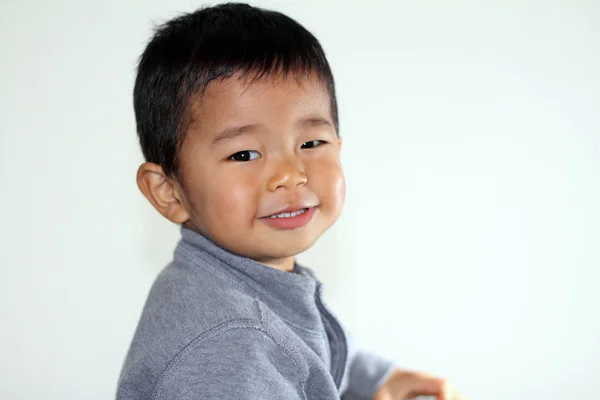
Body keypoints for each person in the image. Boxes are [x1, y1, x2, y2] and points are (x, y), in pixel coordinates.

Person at [117, 3, 466, 399]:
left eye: (311, 143)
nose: (290, 173)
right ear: (169, 191)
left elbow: (312, 349)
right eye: (245, 154)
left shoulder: (246, 282)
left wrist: (379, 380)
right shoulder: (232, 345)